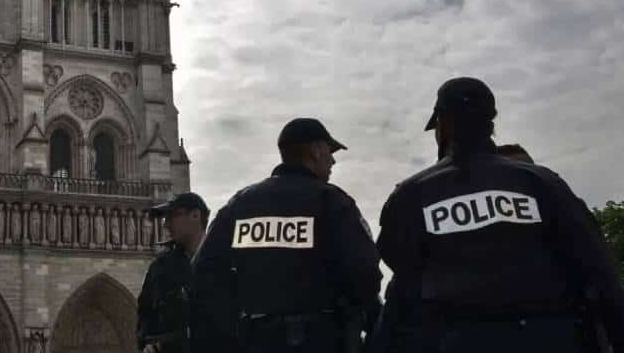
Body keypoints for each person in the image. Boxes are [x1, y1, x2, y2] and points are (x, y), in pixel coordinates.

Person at [374, 77, 624, 353]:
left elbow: (401, 280)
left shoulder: (411, 195)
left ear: (443, 124)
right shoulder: (543, 183)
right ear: (491, 122)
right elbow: (597, 267)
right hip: (553, 338)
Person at [191, 118, 382, 352]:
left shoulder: (240, 205)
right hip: (322, 340)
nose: (332, 159)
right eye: (329, 151)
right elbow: (366, 273)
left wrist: (236, 324)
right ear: (314, 151)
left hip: (255, 341)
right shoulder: (331, 202)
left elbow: (203, 271)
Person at [137, 192, 210, 353]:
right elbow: (145, 315)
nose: (165, 225)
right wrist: (146, 344)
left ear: (195, 216)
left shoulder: (226, 262)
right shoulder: (159, 268)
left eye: (172, 217)